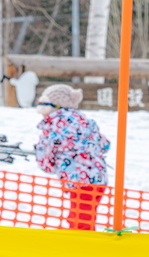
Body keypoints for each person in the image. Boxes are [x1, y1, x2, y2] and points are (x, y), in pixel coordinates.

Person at [34, 83, 111, 231]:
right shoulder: (85, 120)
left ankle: (82, 248)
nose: (42, 114)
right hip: (99, 178)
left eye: (43, 109)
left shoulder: (54, 124)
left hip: (78, 181)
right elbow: (105, 144)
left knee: (81, 222)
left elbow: (46, 151)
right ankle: (76, 239)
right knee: (82, 216)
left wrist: (47, 164)